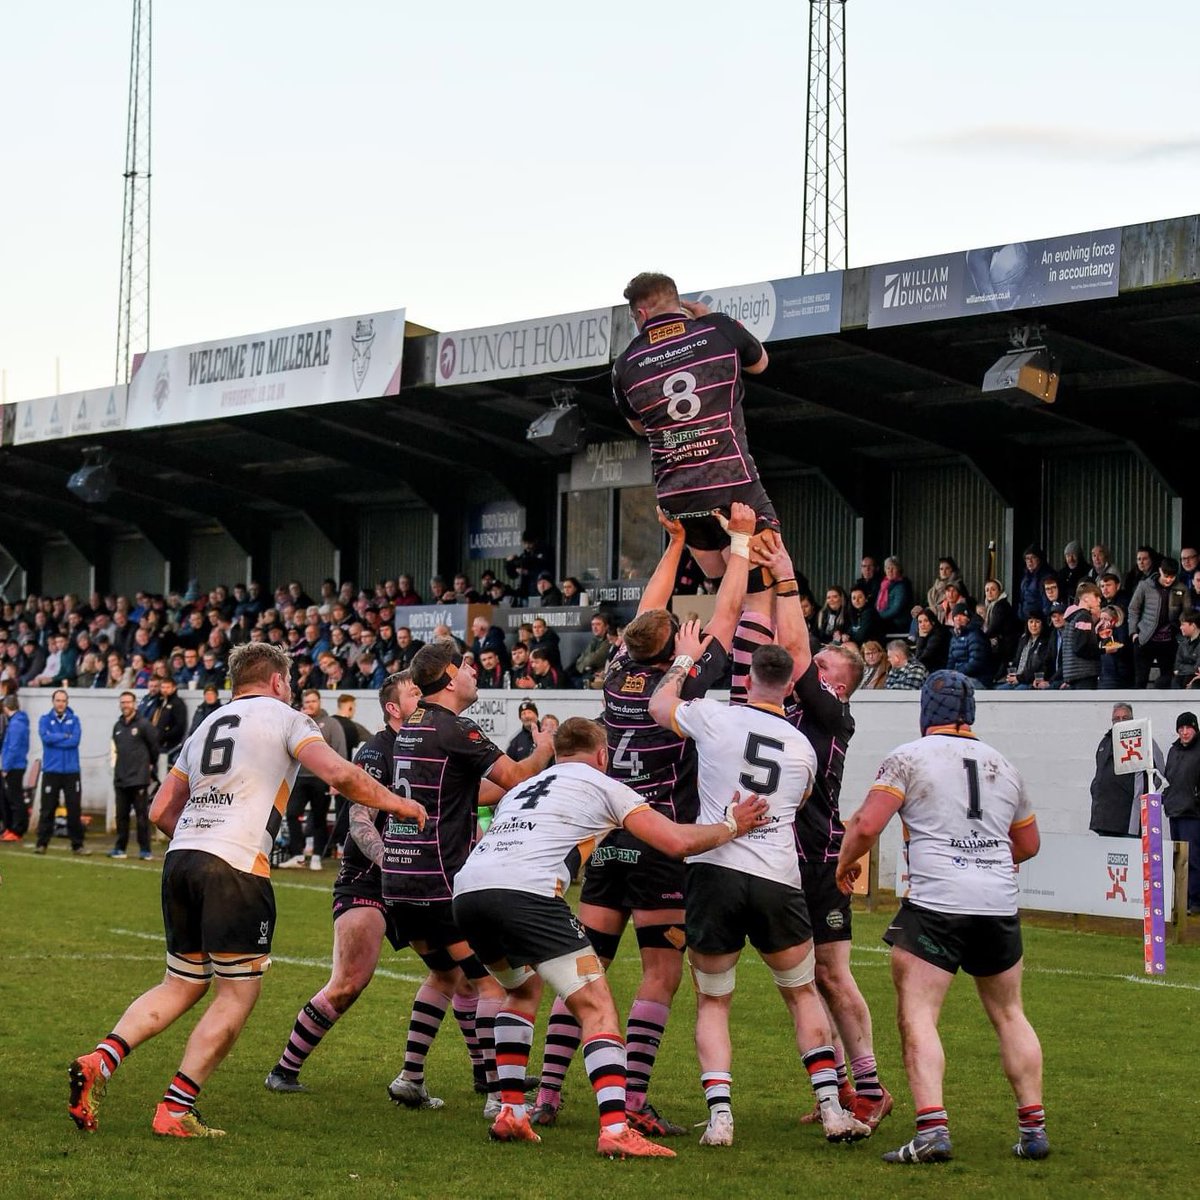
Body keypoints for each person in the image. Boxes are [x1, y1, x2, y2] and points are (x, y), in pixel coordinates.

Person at [66, 642, 428, 1138]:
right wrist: (401, 806)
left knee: (183, 982)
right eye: (292, 681)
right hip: (235, 865)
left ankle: (100, 1060)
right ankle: (176, 1109)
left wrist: (201, 838)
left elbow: (158, 811)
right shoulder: (287, 717)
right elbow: (341, 775)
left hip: (181, 859)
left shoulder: (206, 725)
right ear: (279, 681)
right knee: (237, 993)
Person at [529, 504, 754, 1134]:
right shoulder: (685, 682)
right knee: (660, 973)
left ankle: (548, 1094)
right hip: (659, 839)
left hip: (607, 841)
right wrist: (738, 545)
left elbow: (644, 619)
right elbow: (729, 613)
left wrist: (675, 543)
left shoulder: (618, 671)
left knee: (583, 970)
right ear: (676, 644)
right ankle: (630, 1099)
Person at [452, 716, 771, 1157]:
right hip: (526, 894)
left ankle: (512, 1112)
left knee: (522, 991)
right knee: (598, 1008)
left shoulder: (525, 787)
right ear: (603, 755)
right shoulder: (604, 785)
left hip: (468, 892)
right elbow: (675, 840)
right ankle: (616, 1129)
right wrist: (733, 825)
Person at [648, 641, 870, 1146]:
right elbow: (805, 797)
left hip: (715, 871)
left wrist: (684, 660)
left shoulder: (714, 717)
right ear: (791, 687)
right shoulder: (802, 747)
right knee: (801, 993)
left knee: (713, 1001)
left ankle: (722, 1118)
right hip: (776, 878)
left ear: (746, 679)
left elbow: (659, 706)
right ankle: (833, 1108)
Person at [836, 670, 1048, 1164]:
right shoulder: (1004, 765)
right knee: (1010, 1014)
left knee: (919, 1015)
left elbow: (867, 824)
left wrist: (845, 865)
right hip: (997, 904)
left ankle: (932, 1129)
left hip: (937, 905)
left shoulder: (907, 757)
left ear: (926, 711)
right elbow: (1029, 844)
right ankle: (1033, 1129)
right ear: (969, 713)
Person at [264, 671, 482, 1102]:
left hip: (418, 885)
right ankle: (283, 1069)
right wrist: (395, 862)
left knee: (456, 975)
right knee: (349, 983)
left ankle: (476, 1076)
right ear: (392, 708)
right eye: (413, 693)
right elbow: (359, 822)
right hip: (369, 880)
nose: (422, 698)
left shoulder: (429, 743)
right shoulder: (376, 751)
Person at [383, 642, 557, 1118]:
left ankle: (411, 1078)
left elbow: (455, 788)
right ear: (448, 676)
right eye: (465, 666)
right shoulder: (457, 728)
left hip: (400, 878)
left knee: (445, 975)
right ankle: (500, 1093)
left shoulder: (413, 726)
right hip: (440, 880)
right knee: (497, 986)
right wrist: (545, 746)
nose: (473, 672)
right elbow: (519, 775)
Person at [765, 540, 892, 1131]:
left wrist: (783, 577)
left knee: (833, 975)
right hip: (786, 859)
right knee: (808, 979)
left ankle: (869, 1087)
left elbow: (792, 650)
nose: (806, 670)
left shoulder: (832, 713)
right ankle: (837, 1090)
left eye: (818, 668)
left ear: (837, 684)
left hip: (818, 860)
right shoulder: (797, 708)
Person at [279, 690, 348, 871]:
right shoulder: (297, 722)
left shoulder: (331, 723)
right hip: (299, 777)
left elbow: (340, 750)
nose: (310, 704)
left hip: (321, 777)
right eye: (307, 702)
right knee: (292, 814)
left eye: (313, 701)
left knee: (319, 817)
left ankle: (317, 855)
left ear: (319, 701)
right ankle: (297, 855)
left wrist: (338, 780)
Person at [35, 688, 85, 854]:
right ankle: (42, 843)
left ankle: (77, 845)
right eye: (58, 700)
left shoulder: (75, 719)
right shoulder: (44, 719)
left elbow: (75, 741)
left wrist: (56, 737)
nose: (61, 703)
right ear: (53, 701)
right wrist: (65, 736)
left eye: (63, 701)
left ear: (67, 702)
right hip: (51, 770)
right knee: (47, 808)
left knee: (74, 809)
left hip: (71, 771)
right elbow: (45, 738)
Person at [110, 691, 159, 860]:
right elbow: (115, 749)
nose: (125, 705)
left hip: (139, 778)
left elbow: (154, 748)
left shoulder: (144, 725)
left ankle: (145, 849)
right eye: (122, 702)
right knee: (121, 816)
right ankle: (120, 847)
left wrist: (148, 766)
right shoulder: (117, 726)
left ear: (134, 704)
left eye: (128, 702)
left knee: (141, 816)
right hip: (121, 777)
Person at [1163, 712, 1200, 915]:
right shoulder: (1173, 750)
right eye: (1181, 728)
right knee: (1177, 860)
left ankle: (1195, 900)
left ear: (1195, 729)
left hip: (1192, 813)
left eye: (1188, 728)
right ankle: (1181, 899)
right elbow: (1170, 778)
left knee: (1193, 858)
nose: (1185, 732)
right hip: (1174, 811)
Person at [1, 694, 30, 841]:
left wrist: (5, 767)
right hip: (16, 764)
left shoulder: (16, 724)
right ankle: (11, 827)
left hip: (14, 766)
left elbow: (13, 748)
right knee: (11, 797)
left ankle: (18, 829)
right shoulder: (18, 722)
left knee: (15, 798)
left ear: (6, 708)